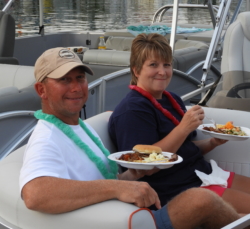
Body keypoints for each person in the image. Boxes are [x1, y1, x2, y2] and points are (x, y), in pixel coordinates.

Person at [19, 47, 245, 229]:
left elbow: (101, 177)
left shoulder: (77, 127)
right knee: (200, 201)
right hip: (122, 220)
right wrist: (116, 188)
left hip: (131, 211)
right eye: (64, 80)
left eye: (80, 78)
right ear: (42, 90)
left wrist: (130, 176)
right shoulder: (46, 137)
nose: (76, 87)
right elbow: (35, 194)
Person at [108, 33, 250, 214]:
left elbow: (183, 149)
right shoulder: (132, 110)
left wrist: (213, 142)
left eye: (166, 65)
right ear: (136, 70)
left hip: (204, 174)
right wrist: (184, 127)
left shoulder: (171, 99)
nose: (162, 71)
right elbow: (146, 166)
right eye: (153, 65)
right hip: (179, 190)